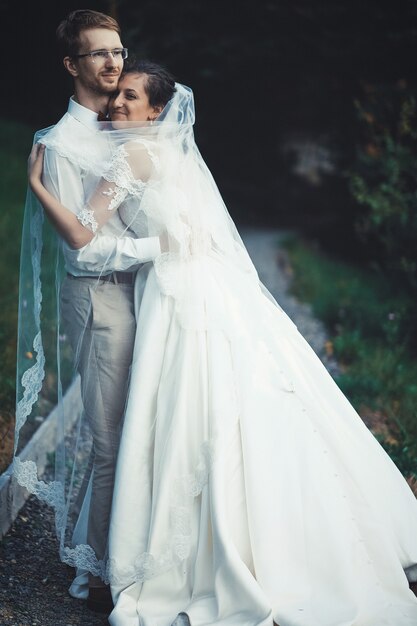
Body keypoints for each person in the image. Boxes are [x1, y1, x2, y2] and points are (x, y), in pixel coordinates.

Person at [27, 59, 417, 626]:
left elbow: (83, 236)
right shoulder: (173, 153)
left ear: (157, 111)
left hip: (173, 289)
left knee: (182, 411)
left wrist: (39, 187)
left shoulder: (132, 154)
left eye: (130, 97)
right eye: (118, 95)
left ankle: (182, 551)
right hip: (210, 283)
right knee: (235, 403)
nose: (117, 104)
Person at [13, 10, 162, 615]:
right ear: (72, 65)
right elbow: (84, 252)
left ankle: (128, 550)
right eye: (98, 54)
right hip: (101, 296)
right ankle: (97, 570)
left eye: (119, 51)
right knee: (110, 438)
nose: (113, 63)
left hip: (141, 293)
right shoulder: (62, 144)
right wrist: (162, 250)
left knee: (144, 425)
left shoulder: (122, 123)